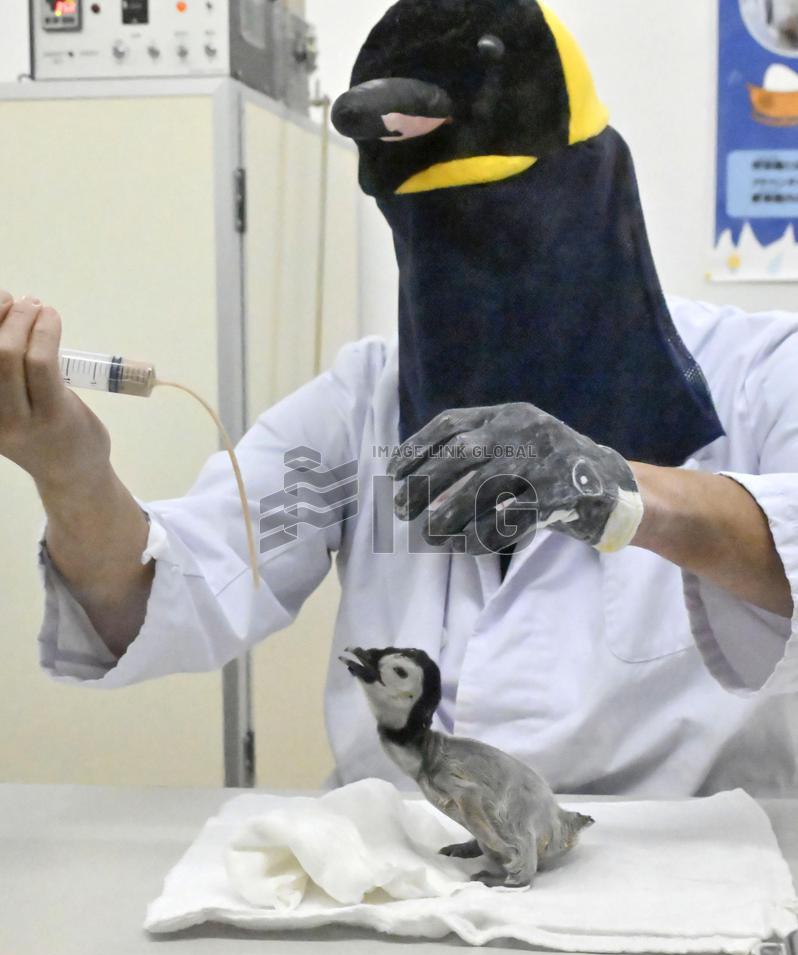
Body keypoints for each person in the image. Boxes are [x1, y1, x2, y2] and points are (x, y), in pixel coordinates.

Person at [3, 0, 797, 797]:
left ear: (599, 190)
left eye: (511, 232)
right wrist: (69, 471)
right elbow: (165, 594)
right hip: (410, 874)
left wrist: (617, 493)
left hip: (678, 886)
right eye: (439, 241)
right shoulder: (361, 417)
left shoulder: (757, 376)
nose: (479, 279)